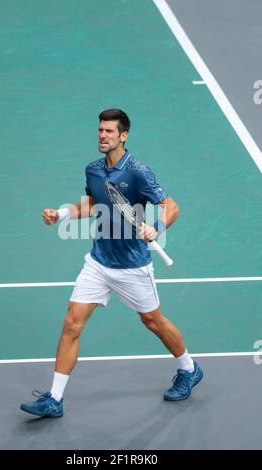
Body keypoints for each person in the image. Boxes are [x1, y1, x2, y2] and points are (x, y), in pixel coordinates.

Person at [20, 109, 203, 418]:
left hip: (133, 266)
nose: (102, 135)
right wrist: (61, 214)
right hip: (99, 263)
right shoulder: (93, 169)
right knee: (71, 323)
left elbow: (170, 206)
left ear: (123, 135)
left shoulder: (138, 172)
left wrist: (155, 228)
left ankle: (189, 368)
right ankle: (54, 398)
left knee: (153, 322)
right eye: (100, 130)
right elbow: (94, 202)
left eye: (108, 131)